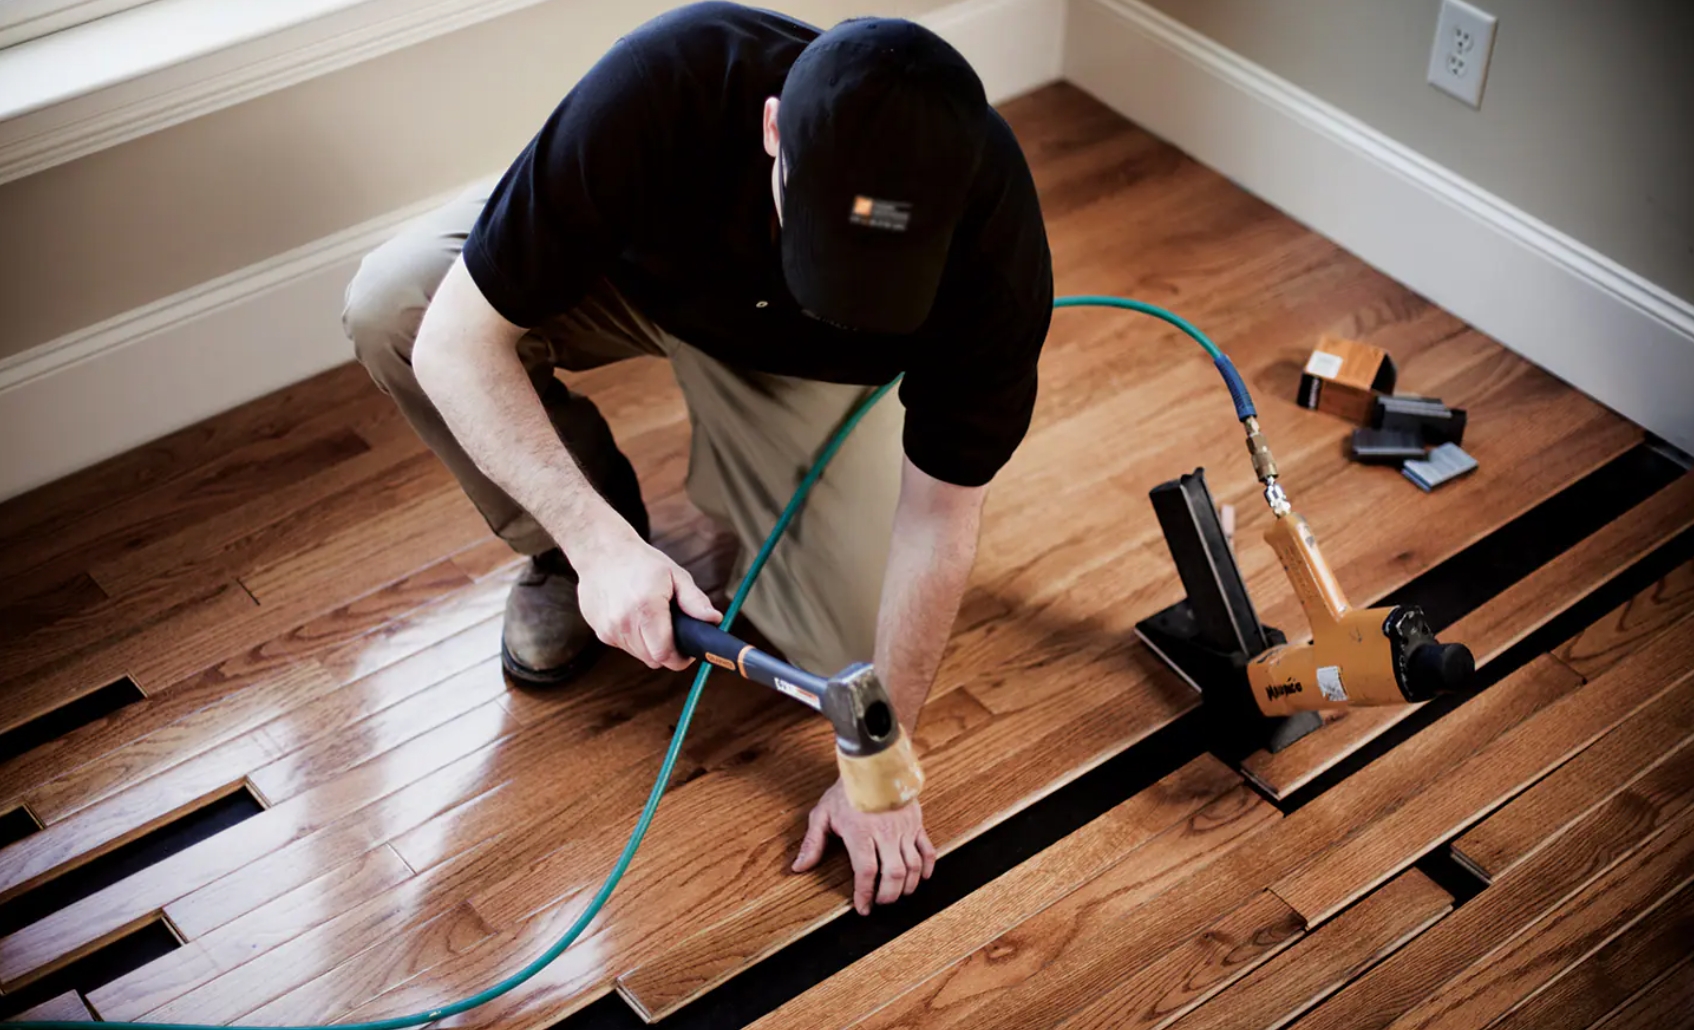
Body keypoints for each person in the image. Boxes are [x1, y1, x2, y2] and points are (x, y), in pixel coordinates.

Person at [343, 1, 1052, 916]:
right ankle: (563, 553)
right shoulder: (666, 83)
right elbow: (451, 343)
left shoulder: (995, 252)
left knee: (847, 660)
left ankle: (741, 467)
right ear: (771, 132)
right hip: (630, 282)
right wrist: (599, 547)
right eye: (831, 244)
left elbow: (942, 512)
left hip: (808, 375)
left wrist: (881, 767)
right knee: (394, 306)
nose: (849, 275)